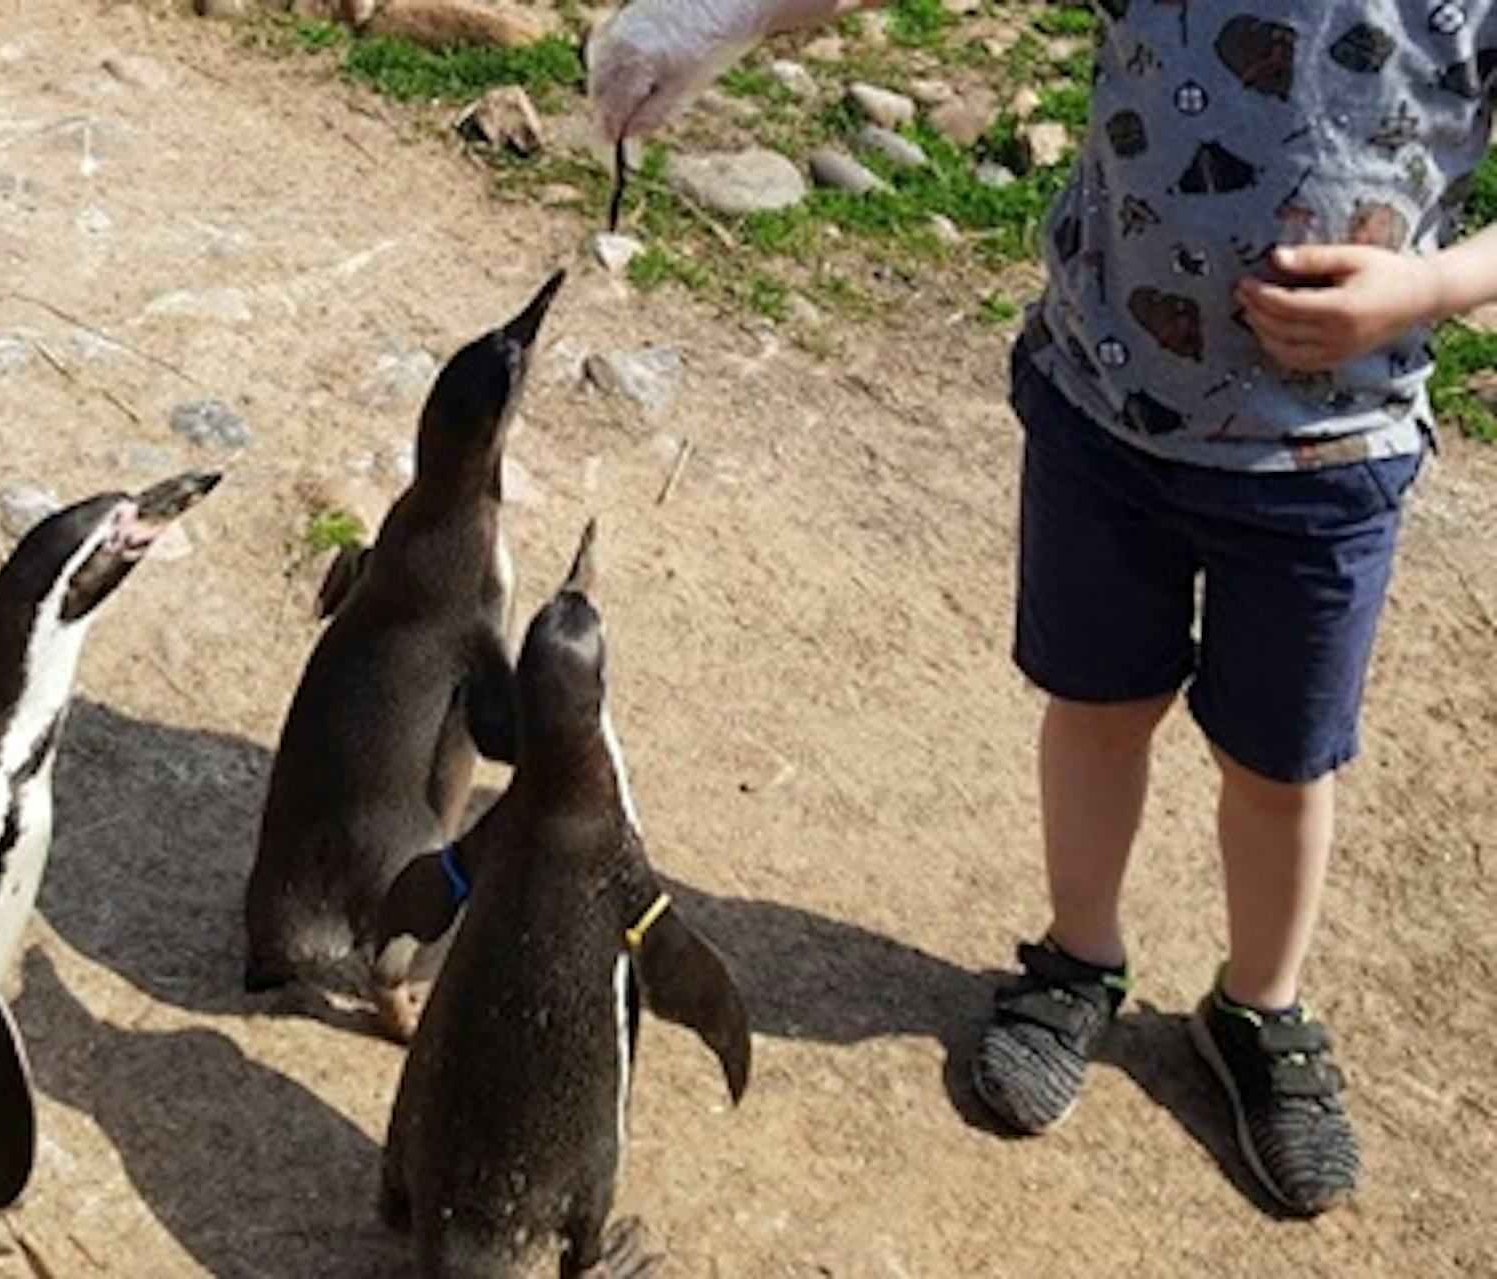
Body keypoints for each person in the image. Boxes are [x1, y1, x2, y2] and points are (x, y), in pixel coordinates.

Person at [588, 0, 1497, 1217]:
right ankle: (1078, 957)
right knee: (1097, 706)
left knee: (1281, 766)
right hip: (1102, 419)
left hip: (1330, 463)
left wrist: (1428, 285)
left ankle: (1260, 1008)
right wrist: (706, 23)